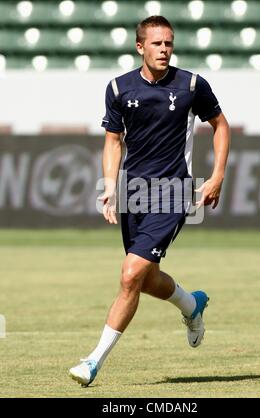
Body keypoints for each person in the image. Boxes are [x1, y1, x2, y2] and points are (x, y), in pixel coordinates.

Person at [69, 15, 230, 387]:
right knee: (144, 278)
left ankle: (93, 361)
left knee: (129, 275)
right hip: (133, 194)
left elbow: (221, 125)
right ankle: (192, 305)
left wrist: (218, 175)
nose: (164, 49)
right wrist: (110, 186)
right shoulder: (118, 88)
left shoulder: (191, 84)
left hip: (174, 193)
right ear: (140, 47)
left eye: (169, 43)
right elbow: (112, 140)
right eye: (157, 44)